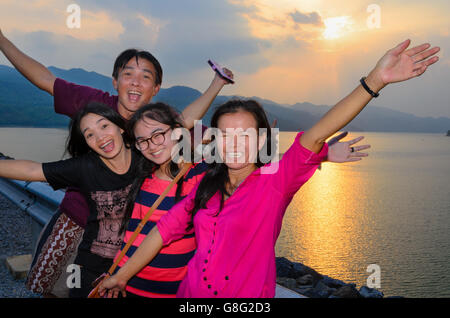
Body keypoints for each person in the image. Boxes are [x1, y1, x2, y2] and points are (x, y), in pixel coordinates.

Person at [99, 39, 440, 298]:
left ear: (262, 140)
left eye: (245, 135)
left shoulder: (274, 182)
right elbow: (162, 232)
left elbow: (318, 132)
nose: (234, 143)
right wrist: (122, 275)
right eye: (225, 134)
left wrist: (374, 82)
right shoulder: (205, 184)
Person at [0, 28, 233, 297]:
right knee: (55, 290)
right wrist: (3, 42)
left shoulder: (157, 123)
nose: (135, 83)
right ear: (115, 81)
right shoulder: (95, 106)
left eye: (145, 77)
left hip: (128, 236)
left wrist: (257, 140)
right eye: (128, 74)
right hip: (77, 223)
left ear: (156, 88)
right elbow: (44, 79)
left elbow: (192, 127)